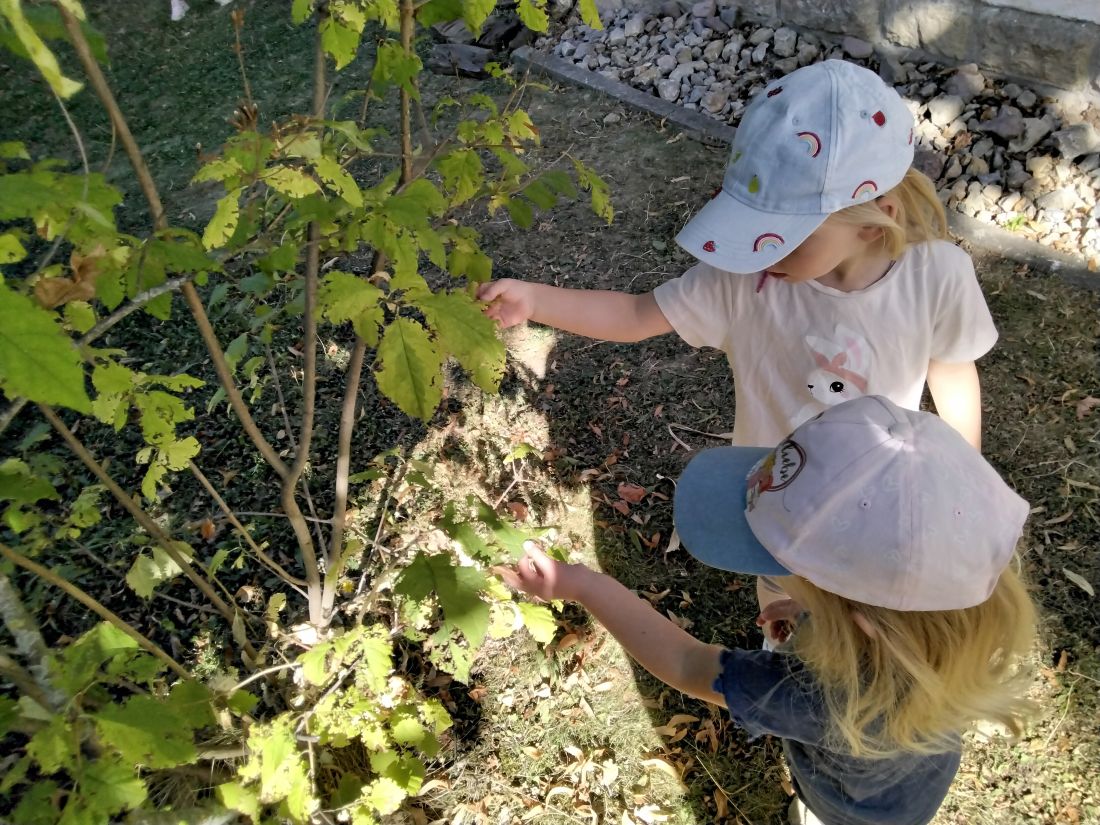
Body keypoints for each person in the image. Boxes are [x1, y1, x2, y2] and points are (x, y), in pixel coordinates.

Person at [479, 59, 999, 645]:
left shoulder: (938, 277)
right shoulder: (743, 280)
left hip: (882, 504)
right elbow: (634, 315)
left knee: (874, 629)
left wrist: (962, 481)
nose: (759, 251)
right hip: (778, 506)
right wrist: (534, 300)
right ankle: (785, 686)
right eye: (756, 229)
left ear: (875, 223)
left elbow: (953, 374)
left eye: (785, 235)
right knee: (790, 616)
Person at [498, 396, 1037, 825]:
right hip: (917, 789)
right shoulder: (957, 629)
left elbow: (687, 665)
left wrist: (583, 585)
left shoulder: (807, 697)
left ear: (861, 624)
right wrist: (812, 615)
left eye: (797, 578)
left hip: (848, 812)